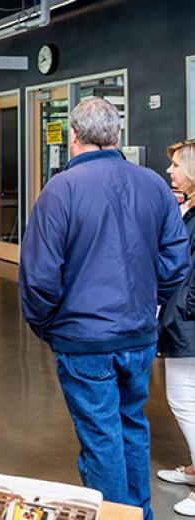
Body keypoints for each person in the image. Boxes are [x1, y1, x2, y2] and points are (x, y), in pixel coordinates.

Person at [19, 98, 190, 520]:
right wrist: (148, 300)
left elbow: (39, 276)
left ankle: (116, 515)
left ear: (73, 137)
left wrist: (49, 327)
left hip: (83, 340)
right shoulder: (153, 185)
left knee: (100, 437)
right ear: (116, 136)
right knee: (131, 423)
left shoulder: (60, 190)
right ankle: (139, 513)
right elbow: (176, 264)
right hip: (139, 337)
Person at [156, 140, 195, 516]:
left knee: (185, 403)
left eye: (177, 166)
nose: (170, 171)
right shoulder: (187, 209)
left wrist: (181, 311)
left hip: (188, 325)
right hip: (182, 320)